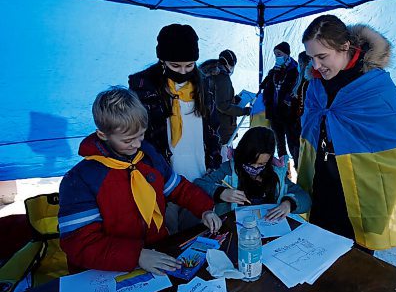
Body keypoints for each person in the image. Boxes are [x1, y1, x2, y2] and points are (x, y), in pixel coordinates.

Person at [58, 87, 222, 274]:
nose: (136, 145)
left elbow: (177, 188)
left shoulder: (147, 156)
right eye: (128, 140)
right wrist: (136, 255)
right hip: (111, 267)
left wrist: (204, 209)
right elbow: (80, 243)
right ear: (103, 135)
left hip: (156, 251)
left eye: (141, 135)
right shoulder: (81, 179)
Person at [297, 15, 396, 253]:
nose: (316, 66)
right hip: (323, 179)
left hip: (363, 182)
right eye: (311, 58)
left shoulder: (374, 85)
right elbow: (310, 125)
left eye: (322, 57)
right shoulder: (317, 83)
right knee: (319, 245)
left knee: (356, 254)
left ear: (345, 47)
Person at [129, 24, 221, 233]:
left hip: (199, 176)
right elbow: (137, 137)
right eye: (175, 66)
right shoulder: (144, 89)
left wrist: (214, 166)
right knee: (167, 238)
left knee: (195, 237)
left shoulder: (204, 86)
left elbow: (213, 129)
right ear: (162, 60)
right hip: (163, 181)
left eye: (189, 66)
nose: (183, 72)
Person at [194, 127, 311, 218]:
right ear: (242, 154)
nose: (255, 168)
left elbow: (305, 199)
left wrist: (289, 204)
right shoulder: (229, 170)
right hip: (234, 228)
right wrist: (220, 192)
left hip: (269, 229)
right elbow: (198, 185)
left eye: (261, 164)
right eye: (250, 163)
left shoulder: (277, 175)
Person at [199, 50, 250, 147]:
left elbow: (215, 98)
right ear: (231, 64)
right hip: (222, 128)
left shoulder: (208, 74)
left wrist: (234, 99)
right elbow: (223, 105)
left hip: (209, 125)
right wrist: (244, 111)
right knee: (222, 158)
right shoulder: (222, 77)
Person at [261, 42, 300, 168]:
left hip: (289, 115)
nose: (277, 57)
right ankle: (284, 169)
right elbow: (269, 90)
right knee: (279, 143)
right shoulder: (274, 71)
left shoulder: (295, 70)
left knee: (292, 142)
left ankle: (298, 166)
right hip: (275, 113)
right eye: (275, 54)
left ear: (286, 54)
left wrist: (288, 105)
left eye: (279, 54)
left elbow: (294, 91)